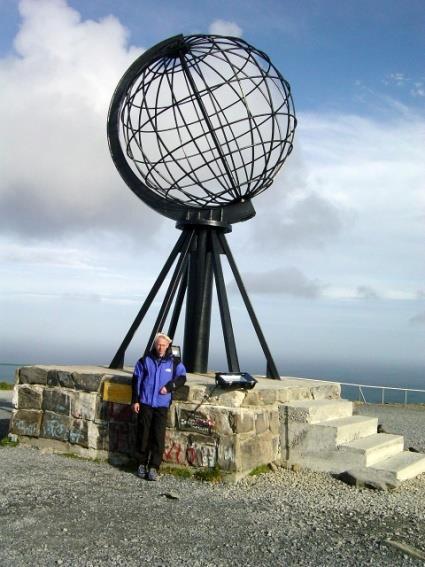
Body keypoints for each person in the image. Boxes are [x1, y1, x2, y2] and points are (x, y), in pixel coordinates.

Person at [131, 333, 186, 481]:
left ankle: (154, 467)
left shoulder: (174, 362)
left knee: (158, 436)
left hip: (161, 405)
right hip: (146, 403)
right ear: (155, 345)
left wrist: (169, 387)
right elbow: (136, 379)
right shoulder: (144, 360)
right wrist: (135, 400)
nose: (160, 347)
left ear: (168, 346)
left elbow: (182, 377)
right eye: (158, 344)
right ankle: (141, 464)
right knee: (143, 434)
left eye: (163, 345)